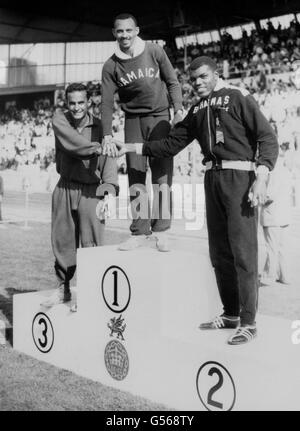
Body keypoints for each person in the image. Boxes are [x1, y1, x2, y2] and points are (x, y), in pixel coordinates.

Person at [113, 56, 279, 345]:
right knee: (219, 253)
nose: (198, 82)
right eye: (194, 78)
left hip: (239, 177)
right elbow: (170, 144)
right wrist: (129, 145)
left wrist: (262, 176)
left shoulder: (238, 96)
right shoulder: (198, 108)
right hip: (212, 179)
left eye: (203, 76)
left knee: (243, 252)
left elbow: (267, 137)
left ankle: (249, 322)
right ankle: (230, 314)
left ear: (216, 74)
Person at [101, 13, 184, 252]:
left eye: (128, 30)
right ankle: (139, 231)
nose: (124, 35)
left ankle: (162, 230)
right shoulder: (111, 65)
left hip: (159, 116)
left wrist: (178, 110)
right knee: (136, 174)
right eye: (120, 31)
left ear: (136, 30)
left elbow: (173, 81)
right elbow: (106, 102)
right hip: (133, 119)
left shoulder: (154, 51)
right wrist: (107, 133)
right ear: (114, 34)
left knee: (162, 175)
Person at [41, 83, 118, 308]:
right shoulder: (59, 120)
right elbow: (74, 145)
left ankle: (90, 293)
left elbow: (109, 159)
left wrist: (110, 191)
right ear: (67, 102)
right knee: (63, 242)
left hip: (91, 190)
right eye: (72, 103)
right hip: (65, 187)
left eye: (80, 102)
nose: (76, 108)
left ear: (88, 102)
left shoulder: (101, 126)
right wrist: (98, 147)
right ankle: (62, 290)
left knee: (92, 244)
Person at [260, 143, 293, 285]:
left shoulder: (273, 172)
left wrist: (259, 200)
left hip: (272, 216)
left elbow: (270, 195)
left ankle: (268, 276)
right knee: (281, 248)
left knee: (271, 248)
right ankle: (284, 276)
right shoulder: (286, 172)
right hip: (284, 215)